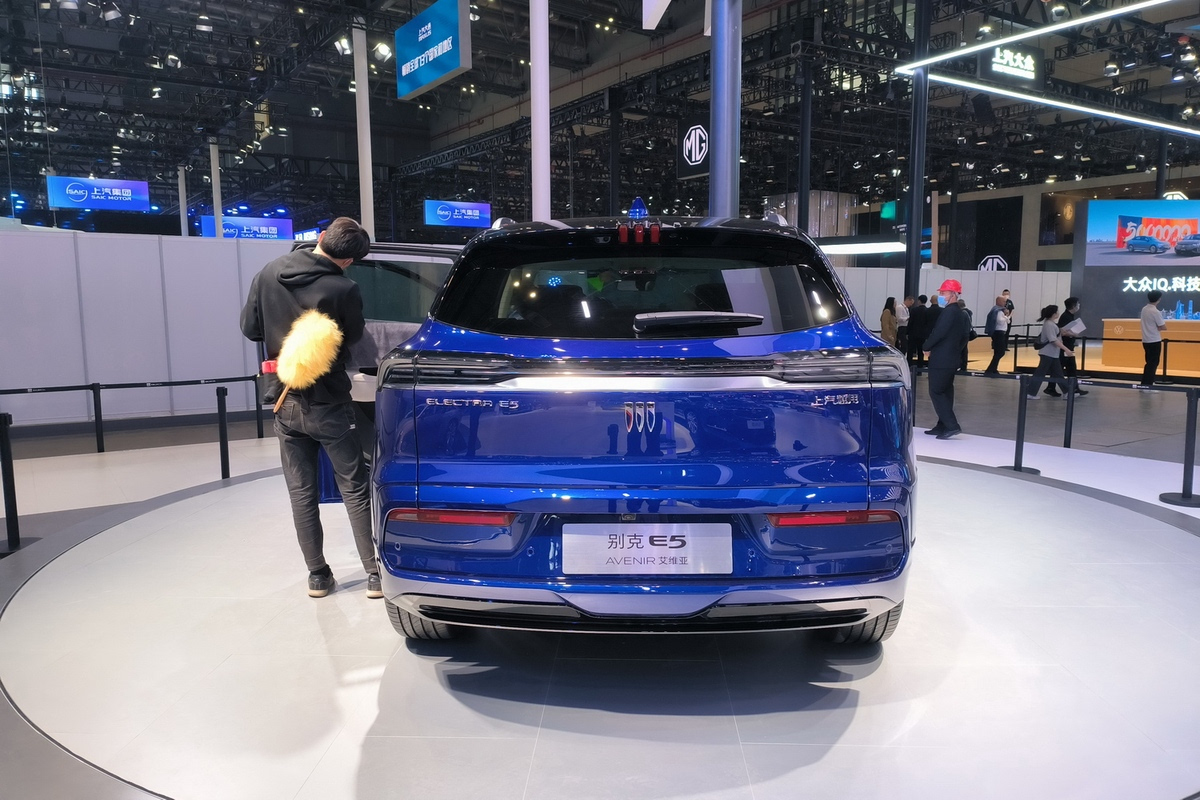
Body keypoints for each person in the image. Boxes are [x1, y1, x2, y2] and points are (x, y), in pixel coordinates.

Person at [239, 217, 381, 600]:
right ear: (348, 260)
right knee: (354, 487)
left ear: (320, 238)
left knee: (301, 492)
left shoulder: (268, 272)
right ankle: (374, 575)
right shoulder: (343, 288)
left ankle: (318, 576)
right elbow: (353, 336)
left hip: (283, 398)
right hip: (329, 401)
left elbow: (250, 328)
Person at [922, 280, 968, 439]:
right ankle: (942, 425)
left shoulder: (949, 312)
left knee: (936, 391)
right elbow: (964, 336)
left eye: (943, 293)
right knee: (946, 392)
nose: (941, 295)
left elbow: (939, 332)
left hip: (941, 359)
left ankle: (952, 425)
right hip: (951, 358)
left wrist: (926, 346)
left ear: (953, 294)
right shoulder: (960, 313)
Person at [1026, 304, 1072, 400]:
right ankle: (1030, 392)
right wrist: (1066, 349)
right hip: (1048, 353)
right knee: (1040, 373)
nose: (1058, 313)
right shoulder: (1049, 324)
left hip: (1052, 353)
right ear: (1054, 314)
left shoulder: (1051, 324)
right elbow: (1053, 340)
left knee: (1058, 373)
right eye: (1057, 312)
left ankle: (1067, 392)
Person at [1057, 297, 1087, 396]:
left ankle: (1074, 388)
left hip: (1068, 346)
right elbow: (1062, 332)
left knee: (1067, 368)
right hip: (1065, 347)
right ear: (1073, 306)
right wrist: (1074, 334)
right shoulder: (1066, 316)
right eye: (1078, 304)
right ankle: (1072, 388)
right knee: (1069, 367)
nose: (1079, 305)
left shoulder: (1069, 316)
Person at [1138, 289, 1167, 388]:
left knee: (1149, 363)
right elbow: (1163, 327)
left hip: (1146, 340)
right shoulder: (1155, 311)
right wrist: (1158, 327)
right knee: (1153, 364)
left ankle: (1145, 383)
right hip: (1154, 340)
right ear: (1159, 299)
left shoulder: (1144, 309)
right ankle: (1148, 385)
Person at [983, 295, 1009, 375]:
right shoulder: (998, 311)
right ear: (999, 301)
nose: (1005, 303)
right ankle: (990, 369)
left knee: (997, 352)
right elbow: (1000, 321)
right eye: (1003, 301)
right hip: (999, 333)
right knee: (1000, 352)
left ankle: (993, 369)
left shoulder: (998, 310)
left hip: (999, 333)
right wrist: (1006, 317)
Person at [907, 294, 930, 367]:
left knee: (910, 351)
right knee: (920, 351)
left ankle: (909, 366)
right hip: (922, 335)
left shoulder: (914, 310)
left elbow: (910, 322)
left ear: (919, 301)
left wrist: (907, 332)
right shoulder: (927, 311)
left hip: (913, 334)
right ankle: (920, 367)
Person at [957, 298, 974, 372]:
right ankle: (964, 366)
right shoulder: (968, 312)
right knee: (964, 350)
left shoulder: (961, 313)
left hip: (961, 334)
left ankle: (958, 365)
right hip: (967, 333)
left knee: (959, 350)